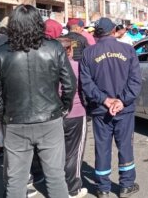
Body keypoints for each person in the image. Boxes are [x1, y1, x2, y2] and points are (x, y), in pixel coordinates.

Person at [0, 5, 76, 198]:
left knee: (16, 180)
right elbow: (69, 85)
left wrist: (4, 116)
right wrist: (63, 109)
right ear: (38, 23)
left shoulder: (1, 53)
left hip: (15, 123)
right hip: (50, 119)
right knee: (55, 177)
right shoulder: (54, 48)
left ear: (13, 24)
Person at [81, 18, 142, 198]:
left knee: (102, 147)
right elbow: (136, 81)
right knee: (125, 146)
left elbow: (86, 82)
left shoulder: (88, 53)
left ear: (97, 32)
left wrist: (104, 100)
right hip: (124, 110)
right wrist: (121, 101)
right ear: (114, 30)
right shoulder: (128, 50)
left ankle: (103, 188)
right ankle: (126, 185)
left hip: (101, 110)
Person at [56, 37, 89, 198]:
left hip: (55, 115)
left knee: (57, 152)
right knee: (74, 152)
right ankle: (73, 189)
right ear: (69, 50)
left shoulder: (48, 67)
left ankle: (57, 184)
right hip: (76, 112)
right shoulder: (77, 66)